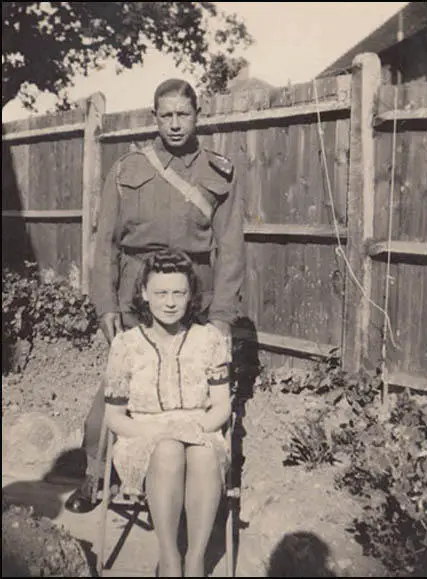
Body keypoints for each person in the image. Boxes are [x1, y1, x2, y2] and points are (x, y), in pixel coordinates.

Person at [65, 78, 245, 513]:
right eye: (166, 115)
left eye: (184, 114)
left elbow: (232, 248)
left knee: (194, 384)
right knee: (123, 378)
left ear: (198, 116)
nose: (175, 124)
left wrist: (221, 315)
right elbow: (104, 242)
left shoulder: (219, 172)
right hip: (134, 287)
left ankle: (198, 475)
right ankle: (96, 472)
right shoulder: (127, 169)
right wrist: (106, 304)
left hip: (192, 291)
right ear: (154, 117)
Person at [103, 247, 232, 577]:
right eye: (161, 292)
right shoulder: (126, 345)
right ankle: (170, 557)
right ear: (144, 293)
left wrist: (197, 428)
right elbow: (115, 418)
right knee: (168, 451)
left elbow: (221, 407)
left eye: (179, 292)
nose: (170, 302)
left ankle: (196, 558)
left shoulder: (209, 339)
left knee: (203, 454)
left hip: (199, 427)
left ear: (191, 296)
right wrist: (159, 433)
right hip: (143, 436)